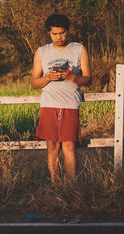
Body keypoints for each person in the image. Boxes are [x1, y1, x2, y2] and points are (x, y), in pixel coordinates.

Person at [31, 14, 92, 182]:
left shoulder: (79, 49)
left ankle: (71, 187)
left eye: (63, 33)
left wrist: (72, 77)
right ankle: (55, 186)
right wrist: (48, 77)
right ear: (48, 33)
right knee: (52, 147)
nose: (59, 37)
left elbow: (88, 79)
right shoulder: (42, 51)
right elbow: (34, 82)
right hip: (49, 104)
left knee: (69, 146)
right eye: (55, 34)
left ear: (68, 31)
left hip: (70, 104)